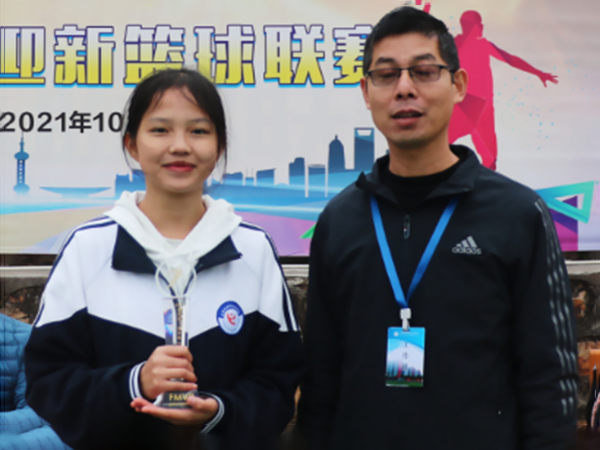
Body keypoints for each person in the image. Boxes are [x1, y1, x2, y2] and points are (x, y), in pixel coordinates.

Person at [296, 7, 577, 450]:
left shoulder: (518, 214)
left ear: (458, 84)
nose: (405, 88)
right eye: (386, 75)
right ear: (366, 92)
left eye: (424, 72)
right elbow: (320, 380)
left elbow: (549, 376)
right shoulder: (340, 221)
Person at [25, 68, 304, 450]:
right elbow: (48, 383)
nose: (180, 146)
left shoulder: (253, 249)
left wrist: (218, 411)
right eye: (160, 130)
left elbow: (278, 382)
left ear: (219, 147)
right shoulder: (88, 248)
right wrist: (136, 383)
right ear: (132, 145)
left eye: (198, 131)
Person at [448, 10, 558, 170]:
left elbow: (511, 59)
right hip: (467, 105)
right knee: (442, 147)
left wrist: (538, 73)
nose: (481, 27)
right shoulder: (456, 46)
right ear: (468, 26)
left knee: (490, 160)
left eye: (480, 24)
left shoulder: (481, 44)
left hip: (482, 108)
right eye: (477, 24)